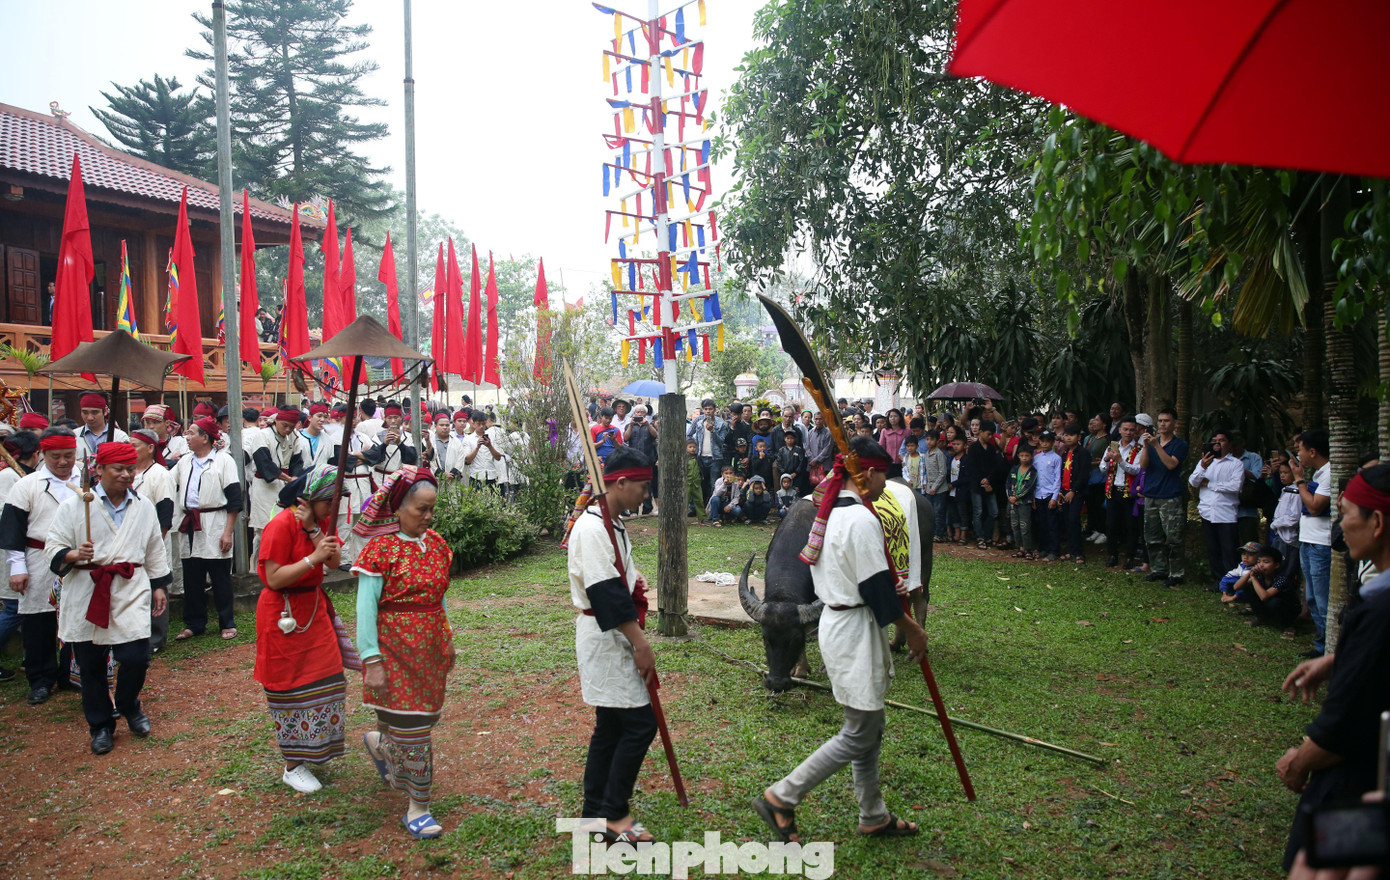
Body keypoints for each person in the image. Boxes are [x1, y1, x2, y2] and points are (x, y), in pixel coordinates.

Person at [754, 436, 928, 843]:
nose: (887, 480)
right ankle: (783, 796)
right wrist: (914, 630)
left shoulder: (830, 513)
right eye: (885, 473)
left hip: (840, 622)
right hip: (853, 627)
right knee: (860, 730)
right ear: (868, 474)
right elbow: (878, 591)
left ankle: (873, 813)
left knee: (869, 722)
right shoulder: (861, 520)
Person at [1277, 463, 1390, 869]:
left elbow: (1349, 716)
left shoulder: (1379, 611)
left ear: (1376, 522)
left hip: (1359, 781)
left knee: (1318, 865)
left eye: (1344, 514)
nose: (1339, 527)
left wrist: (1300, 760)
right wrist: (1342, 658)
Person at [47, 442, 171, 754]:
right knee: (91, 665)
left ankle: (129, 705)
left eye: (131, 469)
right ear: (99, 469)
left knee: (135, 657)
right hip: (87, 589)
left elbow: (155, 547)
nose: (127, 475)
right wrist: (76, 553)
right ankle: (101, 724)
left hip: (129, 587)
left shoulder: (142, 506)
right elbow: (54, 547)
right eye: (119, 469)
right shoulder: (75, 507)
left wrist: (158, 584)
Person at [562, 445, 659, 844]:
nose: (645, 496)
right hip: (607, 636)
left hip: (612, 632)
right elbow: (604, 593)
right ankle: (614, 814)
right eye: (642, 487)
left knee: (611, 727)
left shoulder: (610, 521)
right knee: (639, 724)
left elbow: (614, 579)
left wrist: (632, 582)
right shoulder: (592, 527)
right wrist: (640, 644)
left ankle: (593, 814)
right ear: (620, 483)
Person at [353, 466, 454, 839]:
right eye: (420, 509)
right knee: (413, 730)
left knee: (418, 721)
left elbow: (439, 599)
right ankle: (419, 806)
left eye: (431, 509)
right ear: (397, 508)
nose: (427, 517)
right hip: (392, 648)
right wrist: (371, 659)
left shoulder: (439, 545)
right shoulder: (380, 550)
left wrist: (447, 637)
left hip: (428, 649)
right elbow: (366, 608)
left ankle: (379, 745)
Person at [255, 465, 358, 793]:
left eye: (339, 498)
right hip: (282, 614)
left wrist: (314, 529)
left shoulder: (321, 523)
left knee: (329, 677)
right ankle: (292, 765)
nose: (335, 506)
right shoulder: (280, 525)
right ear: (308, 499)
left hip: (314, 610)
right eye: (330, 499)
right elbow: (273, 578)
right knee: (289, 685)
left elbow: (333, 560)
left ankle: (314, 748)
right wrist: (312, 558)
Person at [0, 426, 82, 704]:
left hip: (79, 559)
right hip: (39, 559)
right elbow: (13, 530)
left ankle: (72, 673)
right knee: (38, 621)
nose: (62, 462)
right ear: (42, 454)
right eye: (55, 456)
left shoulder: (88, 482)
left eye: (68, 455)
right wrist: (17, 567)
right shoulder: (27, 486)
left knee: (76, 616)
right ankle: (40, 679)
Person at [172, 417, 243, 641]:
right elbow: (168, 483)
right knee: (191, 576)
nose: (187, 436)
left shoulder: (224, 461)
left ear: (205, 438)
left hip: (215, 521)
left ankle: (226, 621)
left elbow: (234, 499)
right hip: (190, 523)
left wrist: (228, 531)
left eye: (192, 433)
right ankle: (194, 623)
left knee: (220, 575)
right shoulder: (184, 462)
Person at [129, 429, 176, 653]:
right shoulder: (129, 473)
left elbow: (165, 512)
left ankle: (156, 638)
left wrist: (156, 542)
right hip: (131, 540)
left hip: (155, 538)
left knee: (157, 583)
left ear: (150, 448)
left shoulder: (160, 474)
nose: (131, 449)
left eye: (135, 445)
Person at [0, 432, 39, 682]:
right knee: (15, 608)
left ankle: (30, 658)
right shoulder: (7, 477)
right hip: (11, 550)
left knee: (29, 610)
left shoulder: (27, 476)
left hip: (30, 551)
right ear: (36, 454)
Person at [1291, 428, 1333, 658]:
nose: (1298, 454)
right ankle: (1322, 645)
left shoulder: (1329, 474)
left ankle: (1329, 649)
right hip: (1308, 541)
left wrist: (1299, 480)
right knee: (1312, 599)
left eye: (1300, 449)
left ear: (1313, 452)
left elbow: (1316, 507)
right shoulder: (1318, 474)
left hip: (1321, 543)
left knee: (1323, 599)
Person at [1139, 408, 1189, 587]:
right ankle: (1158, 569)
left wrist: (1156, 446)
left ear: (1174, 423)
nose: (1162, 424)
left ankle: (1176, 573)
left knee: (1173, 537)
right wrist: (1146, 446)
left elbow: (1171, 465)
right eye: (1160, 421)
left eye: (1166, 421)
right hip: (1151, 494)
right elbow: (1143, 465)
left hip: (1170, 496)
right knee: (1152, 536)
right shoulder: (1152, 443)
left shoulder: (1179, 444)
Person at [1189, 431, 1245, 592]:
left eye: (1221, 440)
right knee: (1213, 549)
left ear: (1229, 443)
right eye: (1214, 441)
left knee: (1229, 550)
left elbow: (1235, 487)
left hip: (1226, 513)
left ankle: (1232, 583)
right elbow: (1193, 481)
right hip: (1207, 512)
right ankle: (1217, 580)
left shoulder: (1235, 464)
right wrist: (1202, 467)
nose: (1217, 443)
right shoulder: (1205, 462)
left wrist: (1211, 485)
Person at [249, 409, 310, 547]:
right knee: (265, 528)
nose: (288, 429)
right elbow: (264, 464)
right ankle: (261, 566)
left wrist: (294, 478)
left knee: (285, 527)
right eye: (284, 425)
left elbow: (297, 461)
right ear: (276, 421)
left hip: (286, 486)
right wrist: (289, 479)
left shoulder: (294, 436)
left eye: (291, 426)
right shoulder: (263, 435)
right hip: (265, 487)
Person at [1100, 416, 1144, 569]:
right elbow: (1102, 469)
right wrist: (1106, 459)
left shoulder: (1139, 449)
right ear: (1119, 430)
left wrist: (1120, 460)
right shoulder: (1113, 446)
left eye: (1132, 430)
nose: (1128, 432)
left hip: (1129, 492)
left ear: (1136, 431)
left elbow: (1136, 470)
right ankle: (1112, 554)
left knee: (1131, 525)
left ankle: (1129, 556)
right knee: (1111, 524)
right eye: (1125, 429)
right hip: (1112, 491)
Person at [965, 420, 1005, 551]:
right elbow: (972, 468)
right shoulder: (973, 448)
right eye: (988, 434)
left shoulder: (992, 448)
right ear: (981, 432)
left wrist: (988, 480)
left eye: (992, 435)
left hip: (989, 485)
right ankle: (980, 537)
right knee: (978, 512)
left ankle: (987, 535)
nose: (990, 437)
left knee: (994, 512)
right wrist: (982, 480)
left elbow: (995, 467)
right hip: (976, 485)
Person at [1057, 424, 1092, 563]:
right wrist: (1060, 491)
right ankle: (1071, 551)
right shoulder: (1065, 453)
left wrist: (1074, 490)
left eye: (1071, 435)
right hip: (1064, 491)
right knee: (1066, 521)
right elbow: (1062, 473)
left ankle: (1078, 552)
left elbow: (1083, 474)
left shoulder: (1083, 453)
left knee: (1074, 520)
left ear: (1079, 437)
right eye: (1066, 435)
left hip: (1076, 492)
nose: (1068, 438)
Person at [687, 399, 727, 504]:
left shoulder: (721, 423)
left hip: (715, 458)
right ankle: (697, 507)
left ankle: (713, 508)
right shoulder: (699, 422)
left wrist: (712, 431)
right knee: (699, 483)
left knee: (714, 484)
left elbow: (721, 441)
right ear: (703, 410)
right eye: (706, 409)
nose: (708, 411)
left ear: (715, 410)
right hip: (700, 456)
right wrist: (693, 445)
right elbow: (688, 434)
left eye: (710, 409)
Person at [74, 393, 130, 465]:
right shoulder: (74, 436)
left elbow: (125, 461)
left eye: (95, 412)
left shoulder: (120, 436)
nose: (89, 417)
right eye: (85, 412)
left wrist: (86, 461)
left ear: (105, 411)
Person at [623, 405, 658, 516]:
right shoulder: (629, 425)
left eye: (642, 412)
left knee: (647, 484)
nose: (640, 414)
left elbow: (655, 435)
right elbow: (626, 438)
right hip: (634, 460)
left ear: (645, 414)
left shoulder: (650, 425)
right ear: (634, 413)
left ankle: (647, 509)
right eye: (638, 412)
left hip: (648, 459)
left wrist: (647, 424)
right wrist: (631, 425)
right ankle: (633, 510)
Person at [1008, 447, 1038, 559]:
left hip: (1025, 502)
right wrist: (1011, 497)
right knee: (1015, 525)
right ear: (1018, 456)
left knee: (1025, 525)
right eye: (1022, 456)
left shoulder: (1032, 471)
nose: (1024, 458)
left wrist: (1016, 497)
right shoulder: (1014, 469)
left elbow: (1029, 487)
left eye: (1027, 456)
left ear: (1031, 456)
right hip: (1013, 501)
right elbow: (1008, 483)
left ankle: (1028, 549)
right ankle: (1019, 548)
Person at [463, 410, 504, 492]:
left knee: (493, 502)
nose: (481, 426)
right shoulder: (468, 439)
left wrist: (489, 446)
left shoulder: (492, 437)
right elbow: (467, 460)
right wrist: (477, 447)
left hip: (492, 475)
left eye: (483, 424)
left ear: (486, 423)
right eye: (478, 424)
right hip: (476, 476)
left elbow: (498, 457)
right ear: (473, 423)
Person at [423, 411, 465, 481]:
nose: (444, 427)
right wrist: (441, 474)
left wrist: (452, 474)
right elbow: (430, 459)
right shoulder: (430, 441)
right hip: (435, 479)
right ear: (435, 426)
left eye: (447, 425)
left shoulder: (456, 441)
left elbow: (460, 459)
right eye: (441, 425)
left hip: (452, 479)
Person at [774, 429, 808, 495]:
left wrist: (796, 473)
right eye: (788, 438)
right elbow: (779, 463)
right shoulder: (781, 450)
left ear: (795, 439)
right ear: (785, 439)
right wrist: (784, 473)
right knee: (785, 492)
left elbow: (801, 462)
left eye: (792, 438)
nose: (789, 440)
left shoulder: (798, 449)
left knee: (796, 492)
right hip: (784, 476)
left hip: (796, 476)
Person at [805, 412, 835, 486]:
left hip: (824, 467)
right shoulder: (810, 432)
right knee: (812, 489)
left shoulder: (828, 434)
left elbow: (827, 451)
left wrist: (815, 460)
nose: (818, 421)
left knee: (824, 489)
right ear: (814, 420)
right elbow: (807, 448)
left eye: (820, 419)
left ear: (824, 420)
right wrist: (812, 459)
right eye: (816, 419)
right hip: (812, 466)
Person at [685, 439, 704, 518]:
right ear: (686, 448)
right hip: (687, 483)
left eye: (694, 447)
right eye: (690, 447)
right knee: (685, 501)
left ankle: (702, 518)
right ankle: (682, 518)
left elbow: (702, 469)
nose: (692, 449)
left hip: (697, 483)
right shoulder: (684, 458)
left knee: (699, 500)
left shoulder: (698, 458)